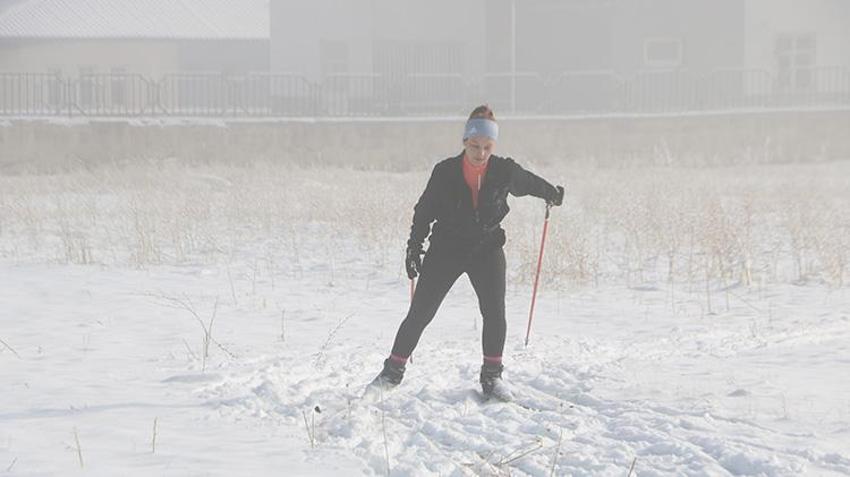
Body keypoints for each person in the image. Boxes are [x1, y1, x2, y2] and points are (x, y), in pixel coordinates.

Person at [368, 105, 564, 400]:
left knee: (494, 312)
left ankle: (492, 377)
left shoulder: (504, 170)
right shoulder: (444, 171)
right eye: (474, 146)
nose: (481, 153)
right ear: (464, 142)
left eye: (487, 147)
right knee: (421, 312)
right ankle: (391, 373)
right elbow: (424, 211)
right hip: (446, 248)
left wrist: (552, 193)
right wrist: (414, 247)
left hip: (487, 248)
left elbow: (528, 183)